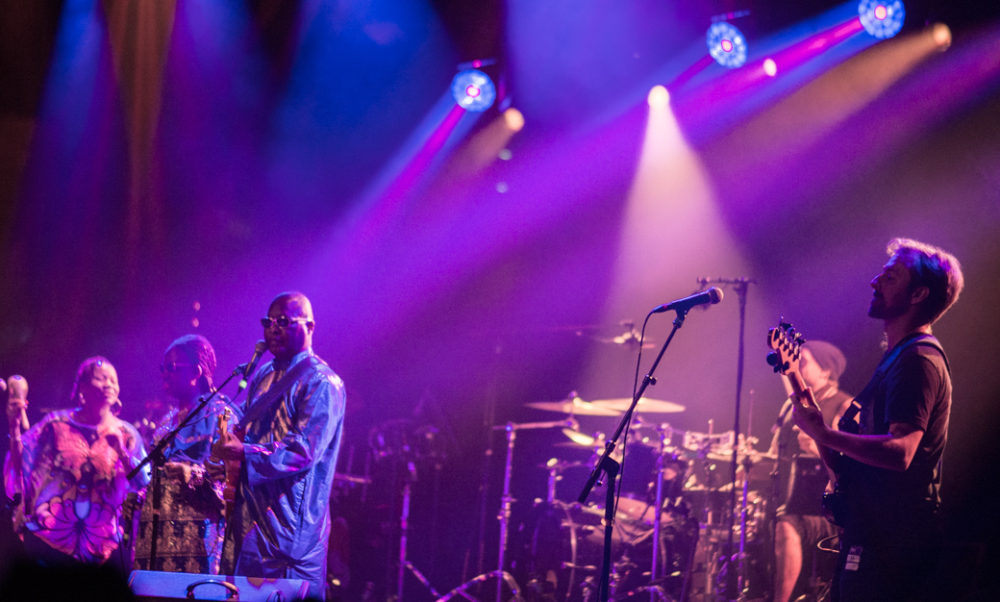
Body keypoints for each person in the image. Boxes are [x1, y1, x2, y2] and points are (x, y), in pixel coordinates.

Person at [793, 238, 963, 601]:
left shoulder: (918, 360)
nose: (875, 282)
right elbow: (853, 465)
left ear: (917, 294)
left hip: (896, 539)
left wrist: (823, 431)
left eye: (890, 277)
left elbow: (901, 452)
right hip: (875, 530)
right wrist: (819, 434)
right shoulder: (898, 357)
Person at [212, 291, 346, 600]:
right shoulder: (264, 373)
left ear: (310, 327)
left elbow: (303, 450)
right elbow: (248, 431)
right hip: (251, 518)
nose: (273, 328)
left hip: (288, 529)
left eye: (284, 321)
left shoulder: (322, 382)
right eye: (268, 321)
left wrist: (243, 452)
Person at [3, 356, 151, 570]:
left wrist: (122, 452)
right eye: (101, 378)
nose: (109, 384)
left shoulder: (127, 434)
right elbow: (20, 465)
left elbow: (143, 483)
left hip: (102, 549)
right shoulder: (55, 425)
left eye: (113, 380)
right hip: (49, 544)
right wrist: (14, 427)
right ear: (82, 387)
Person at [132, 334, 238, 574]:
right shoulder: (166, 422)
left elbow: (230, 480)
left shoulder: (223, 416)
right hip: (155, 543)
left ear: (196, 372)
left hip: (197, 546)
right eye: (162, 368)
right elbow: (160, 478)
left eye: (171, 367)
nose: (164, 373)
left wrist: (193, 475)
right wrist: (140, 496)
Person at [768, 340, 852, 602]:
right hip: (792, 503)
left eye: (804, 362)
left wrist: (817, 446)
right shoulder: (790, 406)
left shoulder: (843, 405)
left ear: (826, 371)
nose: (799, 367)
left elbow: (848, 463)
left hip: (828, 513)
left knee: (786, 526)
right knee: (772, 521)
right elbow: (772, 455)